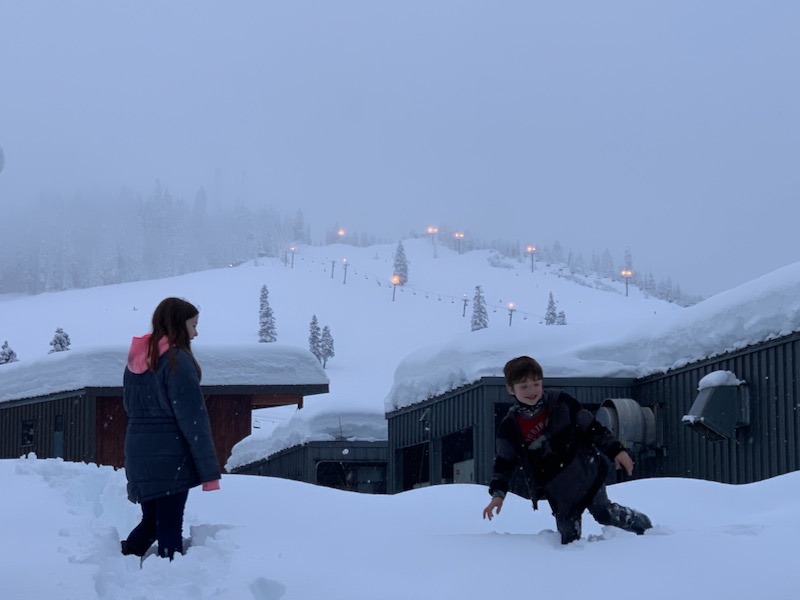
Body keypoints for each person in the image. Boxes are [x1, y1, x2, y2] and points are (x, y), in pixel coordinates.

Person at [482, 356, 652, 544]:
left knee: (603, 513)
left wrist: (616, 450)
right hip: (557, 486)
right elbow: (504, 463)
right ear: (510, 389)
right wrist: (498, 495)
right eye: (524, 387)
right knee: (568, 535)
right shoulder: (510, 426)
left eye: (536, 384)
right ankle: (574, 568)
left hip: (586, 471)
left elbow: (593, 428)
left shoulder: (561, 402)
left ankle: (643, 526)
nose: (531, 391)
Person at [120, 297, 221, 560]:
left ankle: (124, 560)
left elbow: (131, 410)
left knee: (153, 521)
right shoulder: (178, 361)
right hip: (169, 456)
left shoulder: (136, 360)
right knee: (168, 527)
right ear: (179, 324)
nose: (196, 333)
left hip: (138, 453)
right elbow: (193, 420)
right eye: (193, 325)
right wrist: (209, 472)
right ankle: (168, 578)